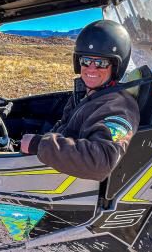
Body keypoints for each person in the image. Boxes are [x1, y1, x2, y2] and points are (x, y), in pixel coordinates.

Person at [20, 20, 140, 181]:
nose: (91, 68)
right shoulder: (88, 93)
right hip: (60, 170)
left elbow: (101, 162)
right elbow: (64, 127)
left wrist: (39, 145)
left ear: (116, 66)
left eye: (101, 63)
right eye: (85, 60)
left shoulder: (118, 106)